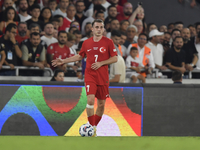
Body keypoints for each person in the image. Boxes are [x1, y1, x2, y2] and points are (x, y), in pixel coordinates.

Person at [52, 19, 118, 137]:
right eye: (96, 27)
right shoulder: (86, 43)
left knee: (101, 104)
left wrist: (101, 63)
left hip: (103, 77)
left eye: (101, 27)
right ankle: (91, 128)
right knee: (91, 100)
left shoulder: (108, 42)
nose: (99, 29)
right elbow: (79, 56)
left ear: (103, 29)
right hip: (90, 75)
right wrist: (64, 61)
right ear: (92, 29)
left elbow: (115, 58)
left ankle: (94, 127)